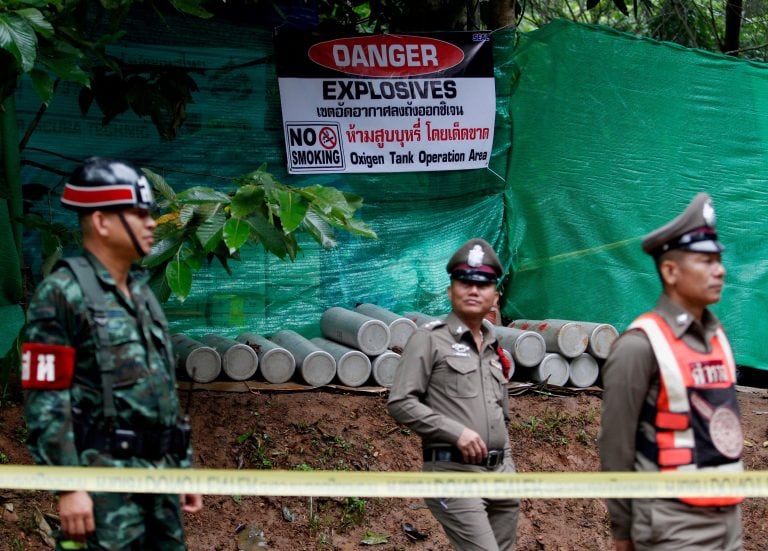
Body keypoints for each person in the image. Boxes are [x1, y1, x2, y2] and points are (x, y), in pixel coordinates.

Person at [21, 157, 203, 550]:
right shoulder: (60, 294)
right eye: (139, 214)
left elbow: (164, 391)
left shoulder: (140, 292)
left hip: (160, 479)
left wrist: (181, 466)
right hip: (104, 484)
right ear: (102, 223)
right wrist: (69, 487)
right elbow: (46, 402)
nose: (152, 223)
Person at [599, 192, 743, 551]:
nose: (720, 270)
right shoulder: (639, 345)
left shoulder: (718, 337)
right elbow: (616, 446)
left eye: (719, 259)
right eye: (706, 260)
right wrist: (623, 531)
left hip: (730, 518)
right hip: (673, 525)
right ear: (670, 271)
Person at [387, 238, 519, 551]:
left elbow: (502, 415)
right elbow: (401, 402)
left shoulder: (494, 347)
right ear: (451, 291)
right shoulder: (429, 339)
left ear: (495, 297)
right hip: (453, 473)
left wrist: (509, 468)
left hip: (500, 475)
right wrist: (456, 432)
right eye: (465, 282)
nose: (474, 290)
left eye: (483, 284)